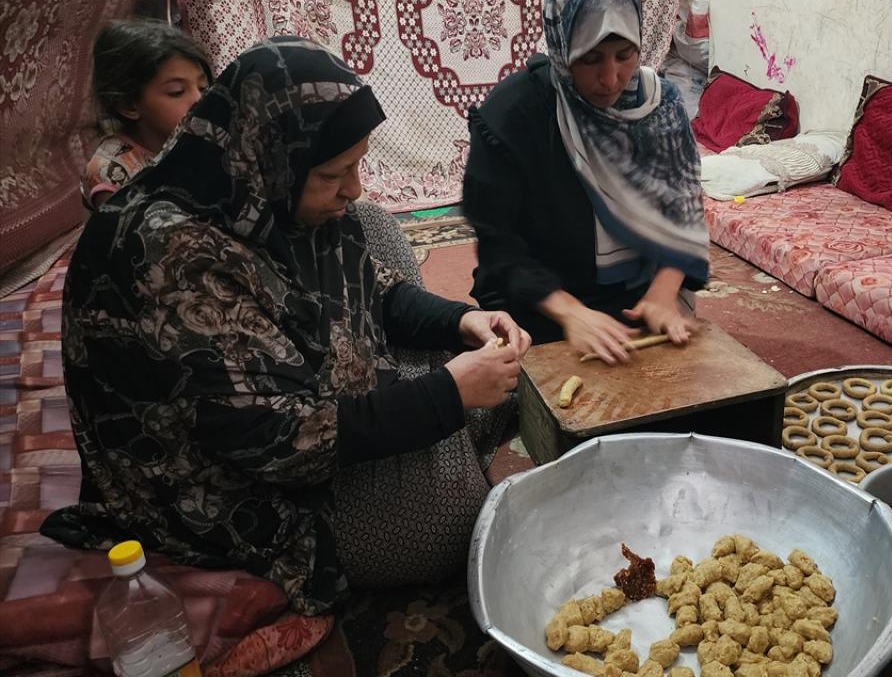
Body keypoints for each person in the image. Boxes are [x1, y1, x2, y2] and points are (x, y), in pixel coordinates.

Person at [42, 36, 532, 615]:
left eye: (357, 164)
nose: (353, 185)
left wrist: (462, 320)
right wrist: (446, 395)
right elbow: (276, 444)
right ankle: (445, 428)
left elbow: (372, 286)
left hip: (296, 390)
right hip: (237, 484)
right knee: (444, 527)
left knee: (369, 223)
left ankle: (437, 416)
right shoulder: (176, 258)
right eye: (334, 172)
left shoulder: (256, 189)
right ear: (272, 156)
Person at [463, 0, 710, 365]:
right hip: (542, 303)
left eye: (624, 54)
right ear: (562, 46)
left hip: (638, 299)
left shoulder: (658, 106)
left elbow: (683, 212)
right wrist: (571, 313)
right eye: (591, 58)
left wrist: (664, 292)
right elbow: (499, 248)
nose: (610, 79)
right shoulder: (513, 117)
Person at [82, 18, 212, 208]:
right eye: (176, 91)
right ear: (128, 105)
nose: (199, 99)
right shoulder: (111, 172)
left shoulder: (200, 135)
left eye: (203, 88)